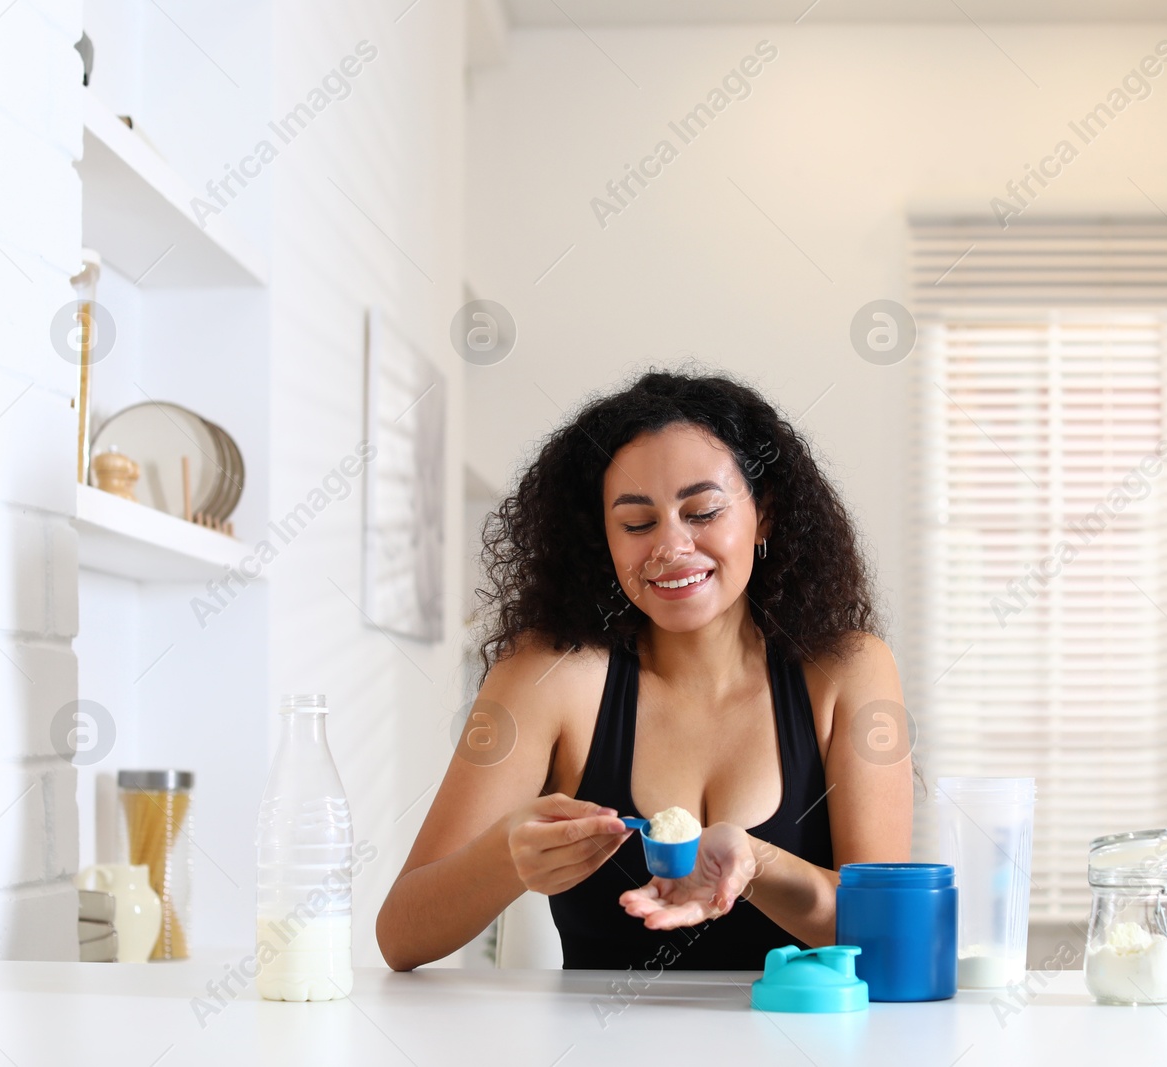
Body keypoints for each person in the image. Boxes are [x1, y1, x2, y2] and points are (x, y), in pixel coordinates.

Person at [376, 368, 913, 970]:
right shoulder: (547, 678)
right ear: (599, 537)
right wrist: (507, 859)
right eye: (636, 523)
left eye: (704, 511)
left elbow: (892, 940)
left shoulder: (847, 672)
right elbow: (401, 936)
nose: (670, 546)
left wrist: (756, 864)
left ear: (764, 515)